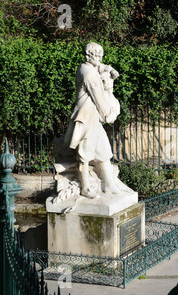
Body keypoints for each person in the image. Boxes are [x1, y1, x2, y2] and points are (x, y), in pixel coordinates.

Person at [63, 42, 120, 199]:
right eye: (97, 56)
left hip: (92, 117)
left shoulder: (88, 67)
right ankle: (85, 187)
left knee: (104, 151)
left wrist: (110, 69)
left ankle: (109, 185)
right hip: (86, 117)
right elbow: (98, 97)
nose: (100, 59)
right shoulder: (89, 74)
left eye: (102, 56)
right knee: (84, 154)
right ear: (89, 56)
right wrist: (109, 114)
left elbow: (101, 66)